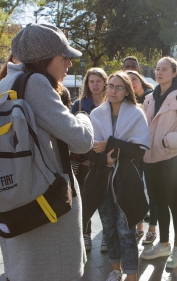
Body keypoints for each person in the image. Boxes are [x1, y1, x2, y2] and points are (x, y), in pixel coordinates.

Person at [0, 23, 93, 281]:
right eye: (64, 57)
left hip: (16, 199)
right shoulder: (35, 83)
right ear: (44, 59)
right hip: (45, 210)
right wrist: (83, 116)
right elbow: (81, 141)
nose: (69, 64)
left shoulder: (4, 83)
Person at [82, 71, 150, 281]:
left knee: (126, 229)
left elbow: (140, 150)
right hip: (101, 180)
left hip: (126, 181)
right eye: (110, 85)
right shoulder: (96, 115)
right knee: (109, 228)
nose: (113, 90)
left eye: (118, 87)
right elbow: (88, 150)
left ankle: (131, 274)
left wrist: (112, 145)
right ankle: (115, 269)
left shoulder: (136, 114)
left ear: (127, 90)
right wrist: (105, 160)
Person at [140, 57, 177, 269]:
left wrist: (167, 141)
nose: (159, 72)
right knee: (158, 201)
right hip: (151, 158)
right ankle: (163, 243)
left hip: (172, 157)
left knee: (173, 201)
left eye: (165, 69)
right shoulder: (149, 99)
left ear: (175, 73)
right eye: (157, 68)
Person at [70, 67, 108, 251]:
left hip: (105, 160)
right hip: (84, 161)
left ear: (104, 83)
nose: (94, 85)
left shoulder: (111, 103)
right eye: (91, 81)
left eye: (98, 81)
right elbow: (71, 133)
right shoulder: (78, 105)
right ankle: (85, 234)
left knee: (105, 198)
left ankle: (107, 234)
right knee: (84, 199)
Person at [126, 70, 157, 244]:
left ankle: (152, 228)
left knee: (152, 190)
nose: (132, 82)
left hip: (151, 149)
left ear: (141, 80)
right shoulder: (125, 101)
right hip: (133, 152)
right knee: (136, 189)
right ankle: (139, 227)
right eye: (128, 80)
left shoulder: (151, 97)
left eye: (134, 79)